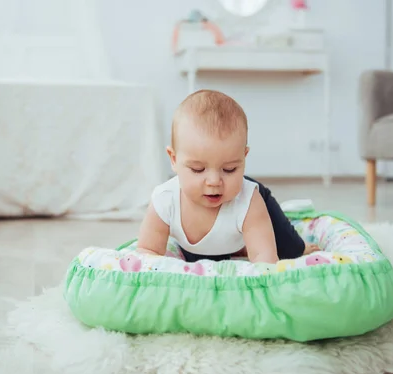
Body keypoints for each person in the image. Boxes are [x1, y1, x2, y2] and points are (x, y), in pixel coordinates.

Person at [136, 90, 319, 263]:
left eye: (230, 169)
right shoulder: (165, 199)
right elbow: (147, 251)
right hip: (205, 244)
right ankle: (234, 246)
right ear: (174, 159)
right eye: (198, 169)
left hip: (251, 202)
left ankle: (297, 247)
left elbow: (265, 258)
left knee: (287, 247)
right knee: (201, 259)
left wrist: (269, 258)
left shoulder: (249, 200)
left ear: (243, 158)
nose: (214, 182)